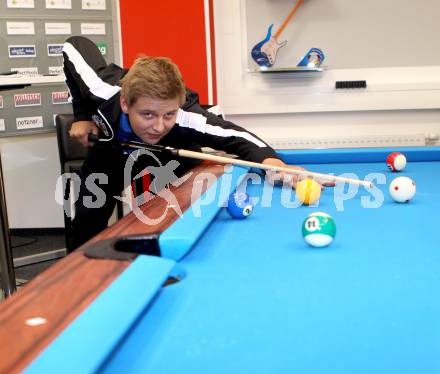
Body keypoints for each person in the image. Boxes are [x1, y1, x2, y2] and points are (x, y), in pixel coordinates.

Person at [62, 36, 305, 250]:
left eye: (168, 115)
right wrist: (81, 115)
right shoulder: (100, 87)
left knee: (171, 216)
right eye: (148, 114)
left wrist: (274, 163)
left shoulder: (187, 117)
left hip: (170, 157)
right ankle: (71, 288)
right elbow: (74, 46)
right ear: (126, 104)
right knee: (87, 218)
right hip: (111, 151)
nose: (158, 126)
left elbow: (238, 138)